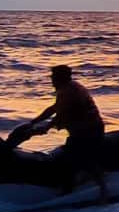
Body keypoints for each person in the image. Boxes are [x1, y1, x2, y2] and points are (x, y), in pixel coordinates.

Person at [33, 64, 108, 199]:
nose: (51, 80)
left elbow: (62, 115)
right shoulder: (67, 88)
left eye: (53, 77)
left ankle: (103, 192)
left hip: (88, 131)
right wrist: (34, 121)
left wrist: (46, 127)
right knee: (71, 157)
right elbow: (54, 108)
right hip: (83, 130)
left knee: (78, 159)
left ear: (60, 78)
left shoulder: (70, 92)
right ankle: (73, 183)